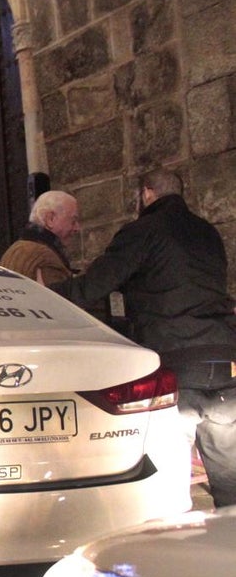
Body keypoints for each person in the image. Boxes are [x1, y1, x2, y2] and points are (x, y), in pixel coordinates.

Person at [50, 169, 236, 508]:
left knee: (171, 486)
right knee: (231, 486)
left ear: (147, 193)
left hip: (177, 364)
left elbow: (93, 286)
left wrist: (40, 295)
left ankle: (178, 553)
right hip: (225, 361)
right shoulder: (207, 233)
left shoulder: (142, 232)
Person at [0, 190, 80, 285]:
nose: (77, 228)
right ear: (50, 219)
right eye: (73, 221)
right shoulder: (44, 258)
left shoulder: (15, 249)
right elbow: (55, 298)